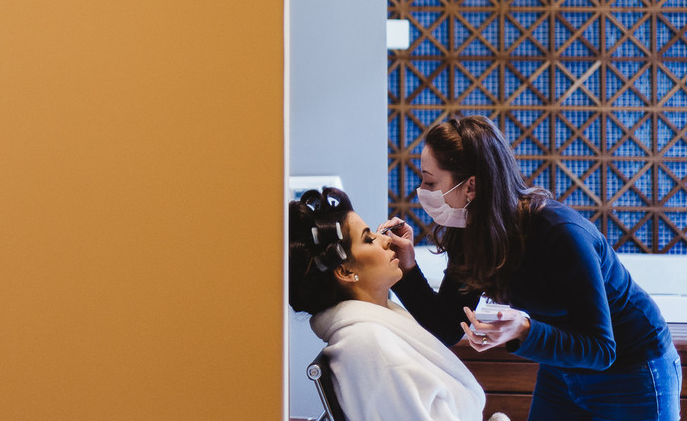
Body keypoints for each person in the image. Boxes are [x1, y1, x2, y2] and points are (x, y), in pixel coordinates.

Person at [383, 114, 681, 421]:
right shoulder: (472, 233)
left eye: (430, 181)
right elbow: (446, 326)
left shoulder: (561, 234)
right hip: (562, 368)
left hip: (633, 369)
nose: (422, 190)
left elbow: (601, 349)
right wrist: (406, 268)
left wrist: (525, 329)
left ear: (471, 186)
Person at [290, 186, 505, 421]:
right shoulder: (372, 346)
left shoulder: (375, 332)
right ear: (345, 271)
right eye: (369, 239)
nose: (386, 239)